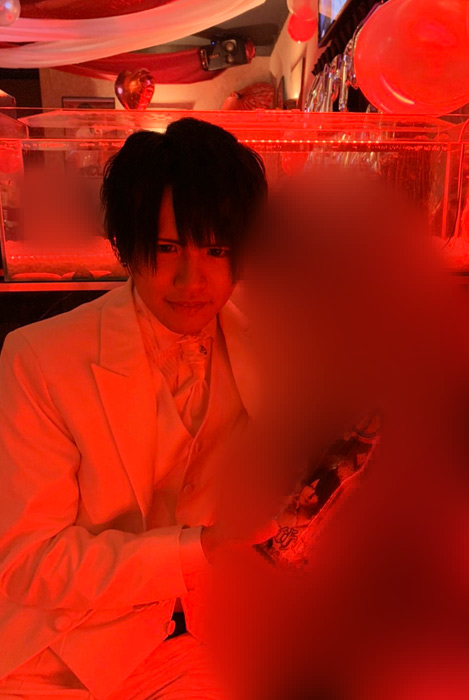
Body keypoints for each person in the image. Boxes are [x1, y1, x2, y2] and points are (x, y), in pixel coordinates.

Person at [0, 117, 269, 699]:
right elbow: (29, 562)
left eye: (216, 249)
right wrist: (199, 549)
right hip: (64, 651)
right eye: (167, 248)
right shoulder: (39, 359)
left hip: (207, 637)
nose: (191, 279)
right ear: (128, 245)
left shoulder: (270, 346)